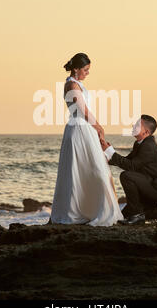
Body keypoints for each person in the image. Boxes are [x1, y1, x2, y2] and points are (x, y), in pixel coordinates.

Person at [50, 53, 124, 226]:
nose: (87, 73)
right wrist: (98, 126)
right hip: (79, 128)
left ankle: (92, 208)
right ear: (76, 69)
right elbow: (82, 109)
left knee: (93, 169)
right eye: (85, 69)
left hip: (84, 129)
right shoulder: (71, 84)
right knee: (87, 170)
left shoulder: (77, 84)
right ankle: (84, 210)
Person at [100, 115, 157, 225]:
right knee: (122, 216)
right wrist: (109, 157)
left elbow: (131, 166)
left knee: (126, 175)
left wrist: (111, 152)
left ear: (146, 132)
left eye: (137, 125)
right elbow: (127, 160)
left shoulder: (149, 145)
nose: (133, 126)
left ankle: (136, 214)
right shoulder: (140, 143)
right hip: (149, 184)